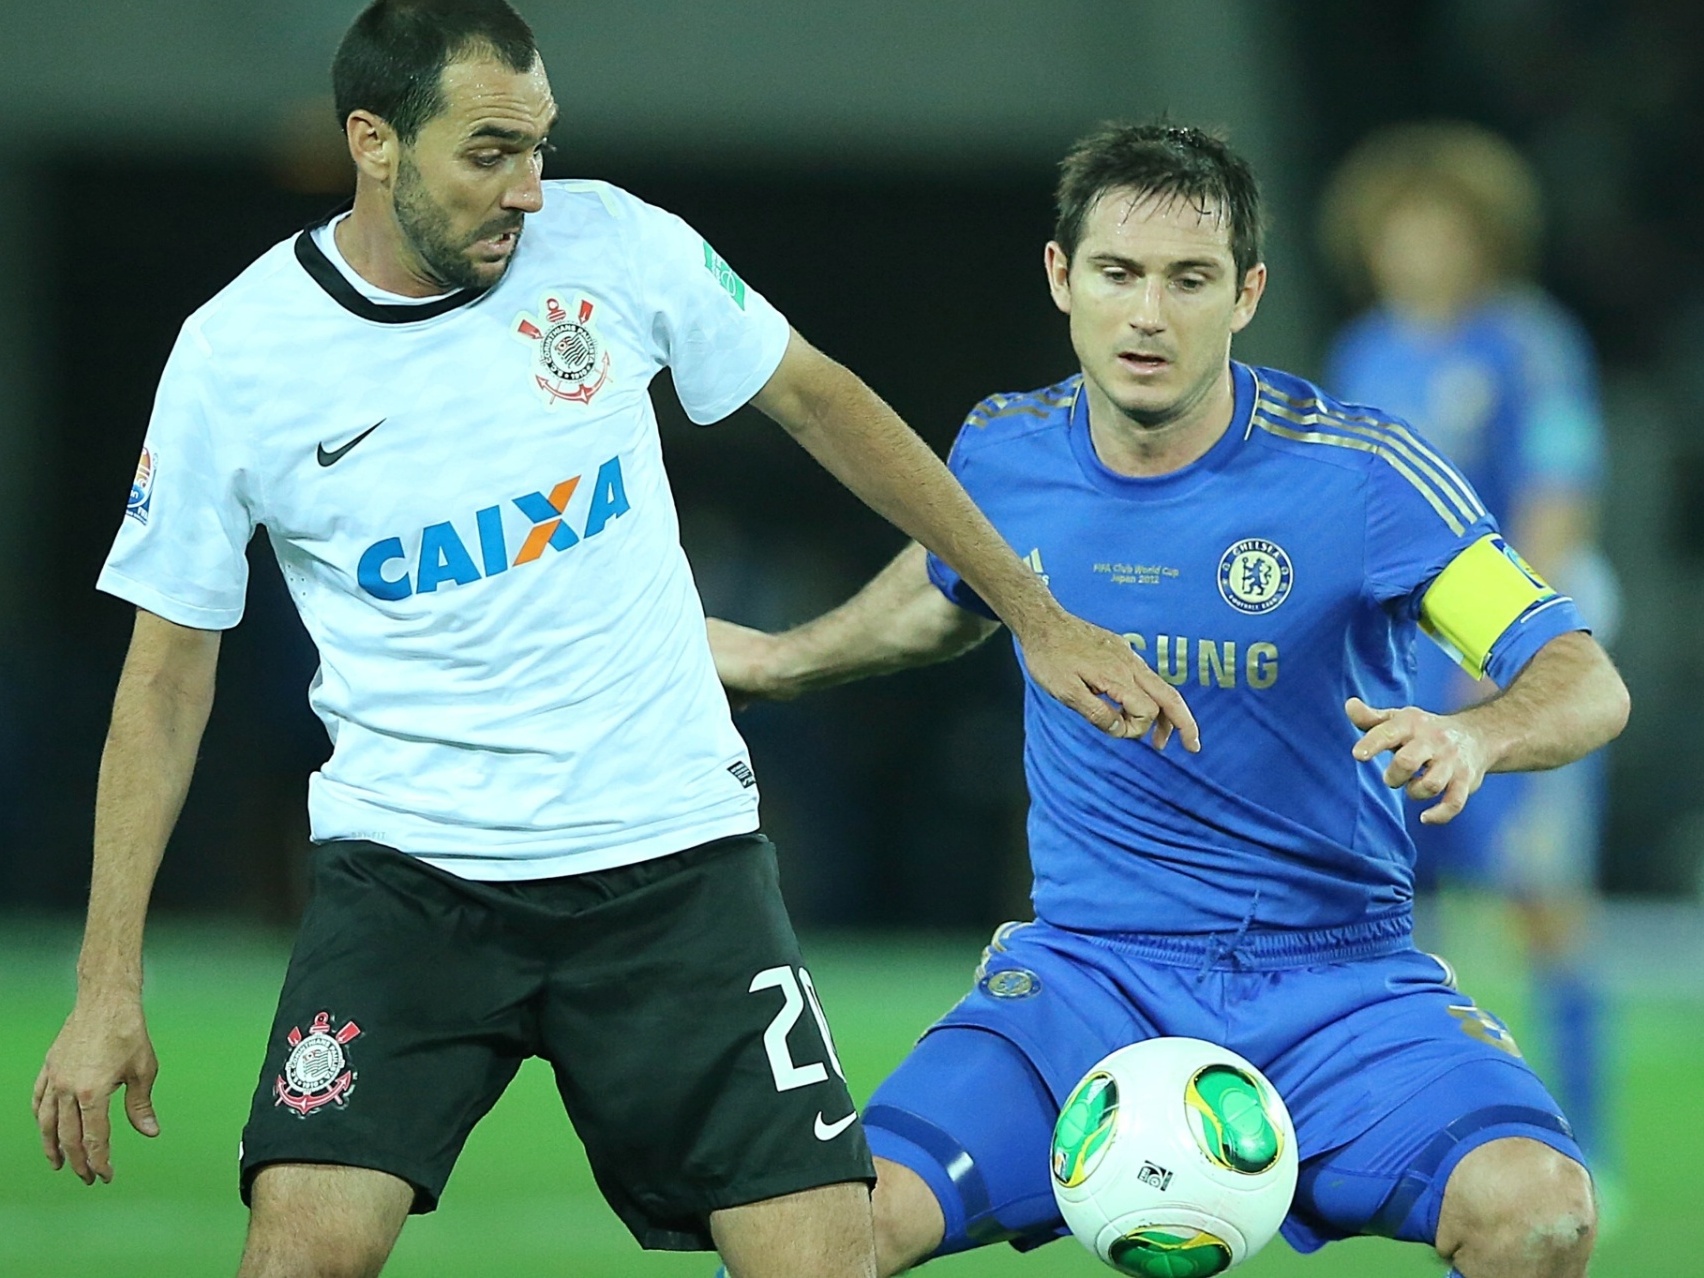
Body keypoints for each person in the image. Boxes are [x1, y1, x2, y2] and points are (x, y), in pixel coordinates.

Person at [29, 6, 1196, 1277]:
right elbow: (163, 684)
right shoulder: (236, 357)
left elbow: (819, 399)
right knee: (300, 1252)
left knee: (824, 1261)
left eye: (538, 146)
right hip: (413, 877)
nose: (526, 190)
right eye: (488, 151)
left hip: (674, 865)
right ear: (373, 141)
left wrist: (1036, 615)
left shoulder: (615, 247)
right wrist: (104, 987)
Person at [709, 122, 1629, 1278]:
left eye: (1189, 280)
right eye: (1118, 274)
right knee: (817, 1232)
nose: (1149, 314)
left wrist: (1476, 730)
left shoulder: (1366, 474)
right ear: (1061, 277)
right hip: (1083, 978)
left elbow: (1581, 675)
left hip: (1335, 986)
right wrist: (776, 659)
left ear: (1246, 294)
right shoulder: (1002, 457)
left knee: (1539, 1211)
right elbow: (938, 598)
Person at [1320, 121, 1620, 1176]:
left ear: (1483, 237)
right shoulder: (1365, 352)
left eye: (1441, 230)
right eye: (1402, 232)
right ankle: (1401, 1130)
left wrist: (1511, 654)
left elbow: (1556, 497)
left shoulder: (1527, 341)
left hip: (1510, 653)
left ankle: (1590, 1146)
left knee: (1541, 900)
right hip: (1398, 661)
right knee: (1386, 900)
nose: (1421, 251)